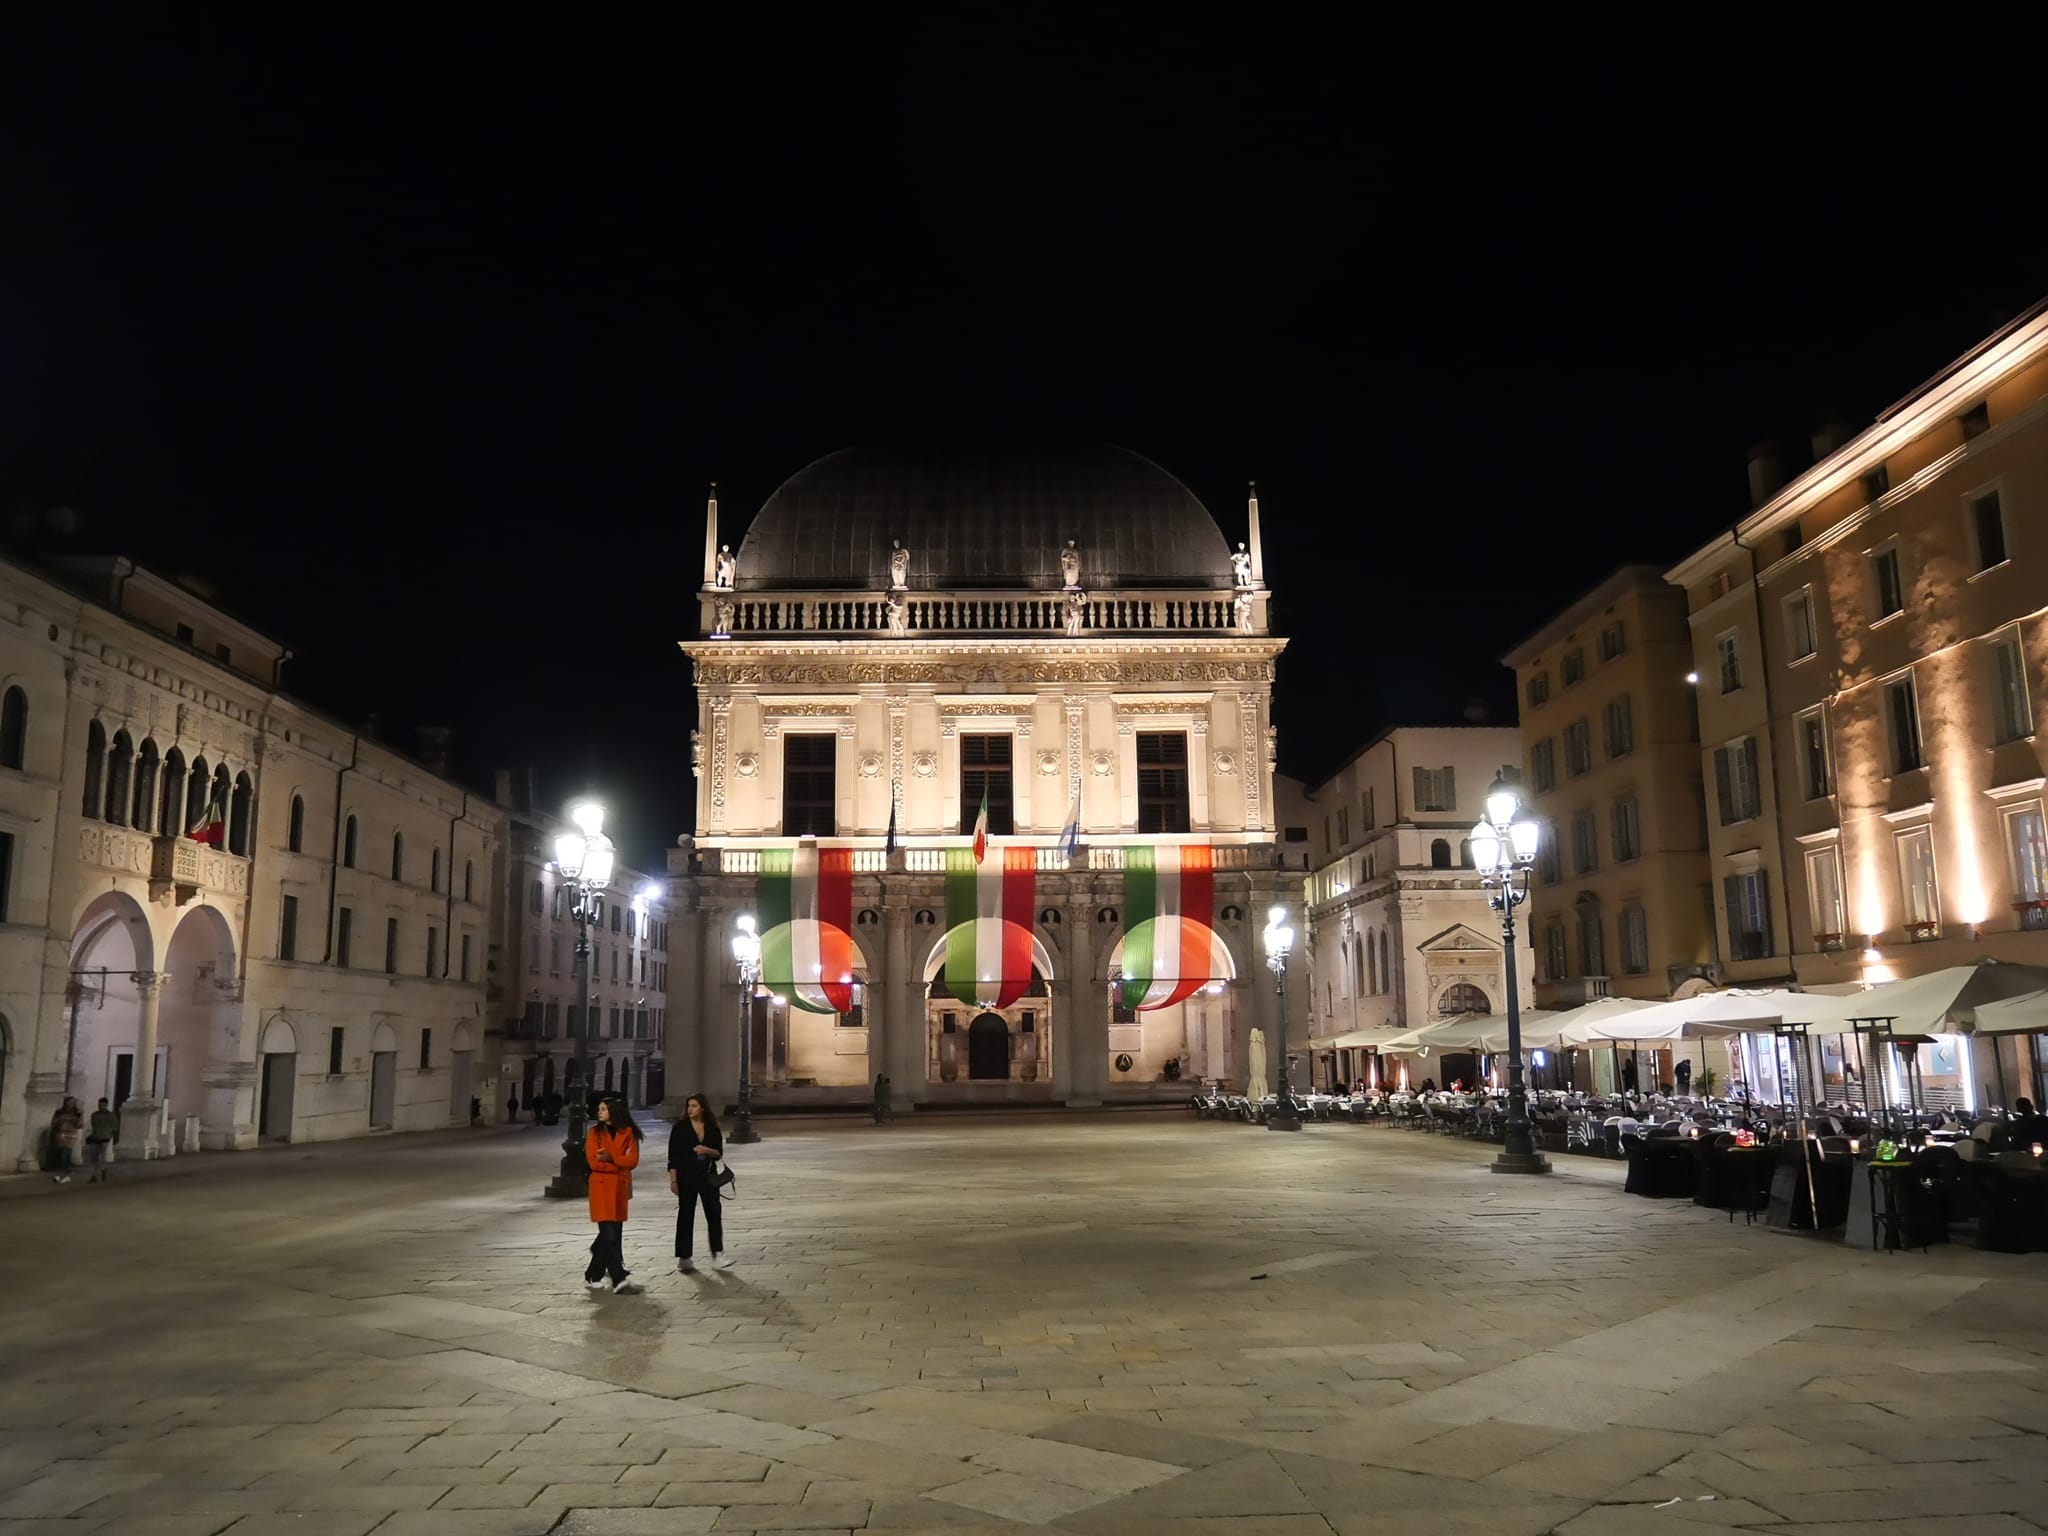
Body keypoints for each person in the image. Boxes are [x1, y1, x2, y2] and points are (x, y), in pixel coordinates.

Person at [582, 1095, 642, 1294]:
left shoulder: (628, 1132)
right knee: (609, 1234)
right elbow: (594, 1162)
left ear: (614, 1112)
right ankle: (619, 1279)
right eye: (598, 1109)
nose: (599, 1112)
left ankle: (593, 1274)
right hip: (600, 1187)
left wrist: (611, 1158)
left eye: (603, 1109)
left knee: (612, 1234)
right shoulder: (594, 1133)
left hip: (619, 1188)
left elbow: (632, 1160)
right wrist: (618, 1163)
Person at [669, 1092, 728, 1270]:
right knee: (686, 1215)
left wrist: (706, 1150)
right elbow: (673, 1157)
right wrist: (674, 1181)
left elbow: (719, 1153)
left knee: (714, 1214)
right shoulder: (680, 1128)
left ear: (702, 1108)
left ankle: (718, 1254)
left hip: (708, 1176)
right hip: (686, 1177)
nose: (690, 1109)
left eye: (694, 1106)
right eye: (689, 1106)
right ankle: (684, 1257)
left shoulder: (712, 1127)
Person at [49, 1098, 83, 1184]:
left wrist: (74, 1119)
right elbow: (53, 1122)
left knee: (66, 1153)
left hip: (71, 1134)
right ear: (66, 1102)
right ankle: (66, 1172)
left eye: (72, 1102)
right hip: (61, 1133)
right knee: (62, 1154)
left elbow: (79, 1125)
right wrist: (61, 1119)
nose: (71, 1104)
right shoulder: (60, 1111)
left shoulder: (77, 1112)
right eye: (69, 1102)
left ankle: (62, 1173)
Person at [84, 1098, 119, 1183]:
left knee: (100, 1157)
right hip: (95, 1137)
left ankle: (94, 1175)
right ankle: (103, 1169)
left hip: (105, 1137)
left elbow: (114, 1127)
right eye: (99, 1105)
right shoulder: (94, 1115)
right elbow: (93, 1126)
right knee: (94, 1157)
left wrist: (112, 1137)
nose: (100, 1106)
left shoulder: (111, 1116)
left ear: (106, 1105)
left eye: (102, 1105)